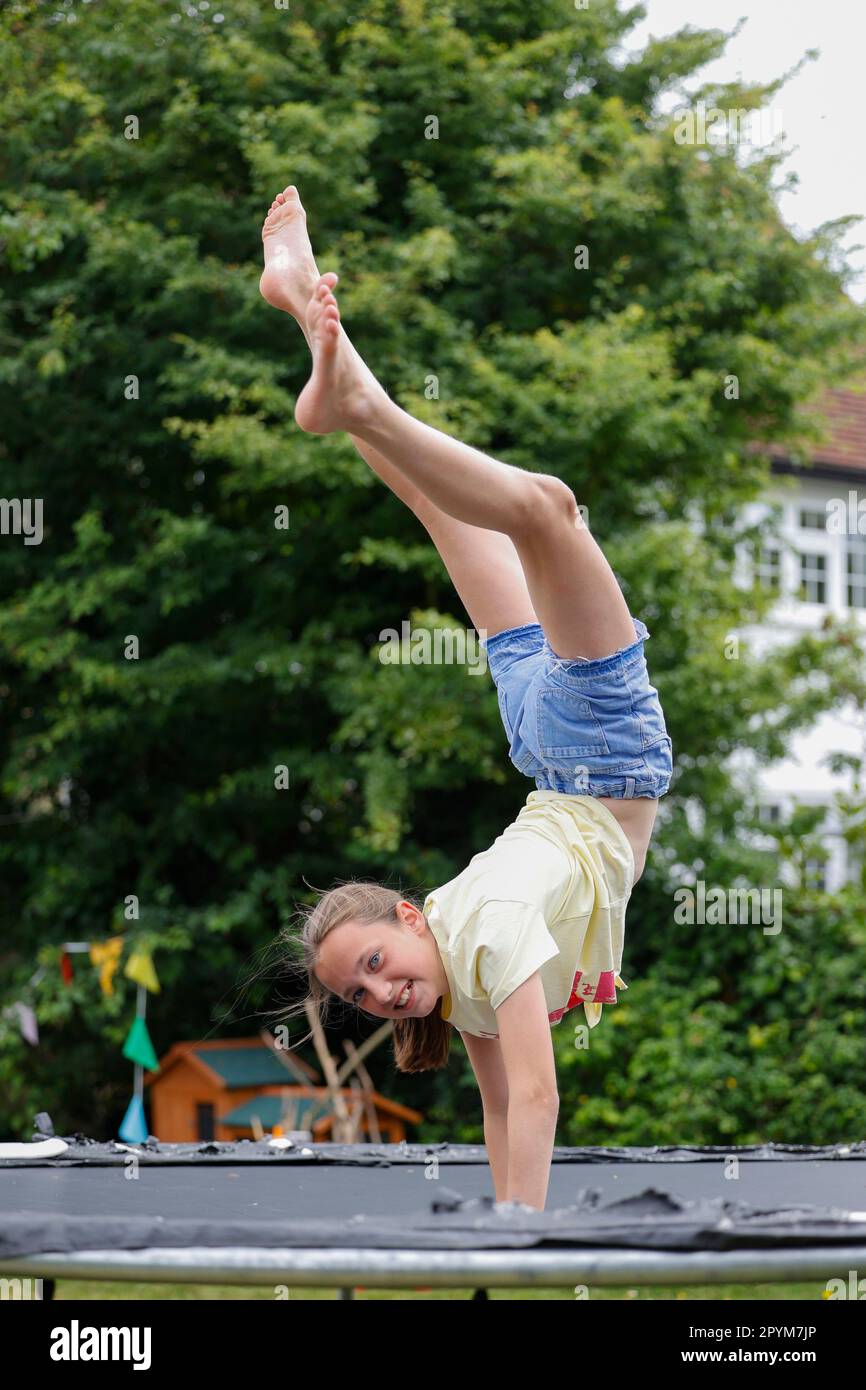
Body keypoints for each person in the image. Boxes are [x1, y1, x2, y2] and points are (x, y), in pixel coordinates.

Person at [261, 186, 673, 1209]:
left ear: (407, 915)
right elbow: (497, 1113)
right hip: (543, 744)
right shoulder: (465, 961)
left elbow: (535, 1098)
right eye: (362, 996)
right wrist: (494, 1232)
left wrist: (515, 1248)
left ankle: (355, 400)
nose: (380, 993)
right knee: (438, 506)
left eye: (373, 963)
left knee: (543, 509)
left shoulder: (477, 932)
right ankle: (294, 295)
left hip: (594, 754)